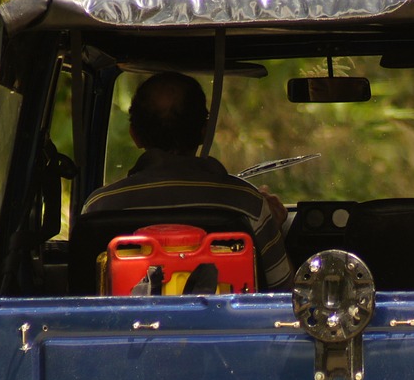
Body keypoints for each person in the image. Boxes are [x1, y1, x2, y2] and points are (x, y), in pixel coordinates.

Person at [81, 71, 293, 290]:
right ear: (205, 131)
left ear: (134, 134)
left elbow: (84, 292)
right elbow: (284, 291)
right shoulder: (248, 204)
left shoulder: (100, 205)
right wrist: (274, 231)